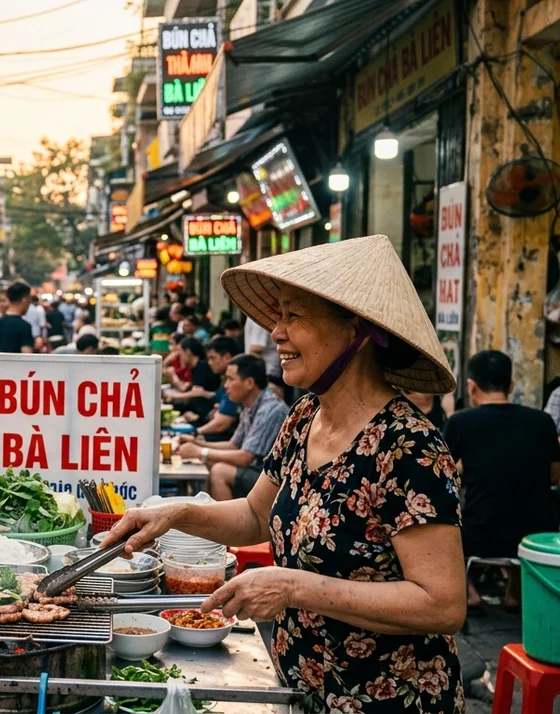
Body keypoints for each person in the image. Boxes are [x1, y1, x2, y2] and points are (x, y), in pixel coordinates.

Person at [101, 235, 467, 713]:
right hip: (302, 685)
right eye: (277, 316)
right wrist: (173, 515)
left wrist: (292, 586)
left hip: (394, 698)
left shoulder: (409, 446)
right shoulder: (305, 416)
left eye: (293, 315)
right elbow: (255, 514)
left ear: (356, 330)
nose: (275, 332)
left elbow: (442, 604)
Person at [444, 349, 560, 609]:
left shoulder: (461, 422)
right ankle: (515, 591)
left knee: (449, 510)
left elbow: (439, 473)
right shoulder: (542, 421)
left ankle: (468, 590)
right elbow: (554, 476)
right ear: (511, 385)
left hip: (478, 534)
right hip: (534, 539)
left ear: (471, 387)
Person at [176, 354, 287, 500]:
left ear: (249, 383)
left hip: (275, 480)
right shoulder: (249, 406)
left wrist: (200, 451)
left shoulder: (270, 409)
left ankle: (227, 521)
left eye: (230, 379)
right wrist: (196, 442)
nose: (225, 385)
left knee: (220, 471)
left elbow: (245, 457)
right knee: (209, 461)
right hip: (257, 472)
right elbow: (233, 445)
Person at [192, 336, 241, 441]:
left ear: (227, 357)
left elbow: (222, 423)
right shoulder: (224, 380)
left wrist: (195, 433)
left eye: (212, 358)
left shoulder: (235, 384)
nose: (209, 362)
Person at [164, 337, 221, 419]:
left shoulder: (202, 367)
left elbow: (197, 392)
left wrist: (174, 396)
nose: (179, 358)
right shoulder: (194, 368)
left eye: (181, 354)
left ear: (188, 352)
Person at [0, 281, 36, 354]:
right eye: (29, 301)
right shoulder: (24, 327)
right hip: (17, 365)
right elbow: (27, 357)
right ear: (24, 300)